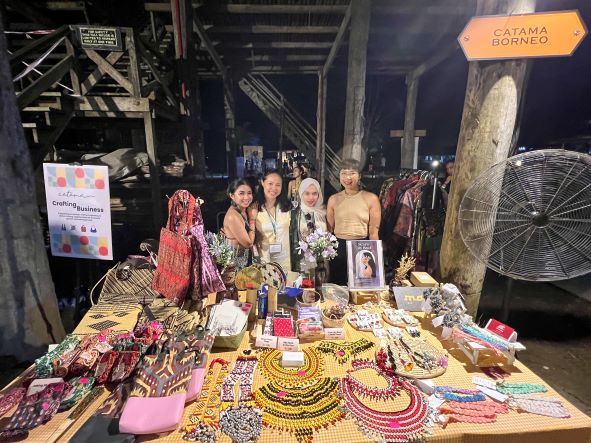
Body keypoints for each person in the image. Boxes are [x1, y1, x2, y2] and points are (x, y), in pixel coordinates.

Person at [327, 158, 381, 286]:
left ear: (359, 176)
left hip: (362, 247)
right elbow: (329, 230)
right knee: (338, 286)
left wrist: (376, 257)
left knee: (362, 287)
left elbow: (373, 231)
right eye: (344, 173)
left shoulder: (371, 198)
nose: (347, 177)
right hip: (338, 248)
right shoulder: (333, 199)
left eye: (352, 173)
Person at [253, 170, 292, 271]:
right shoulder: (254, 208)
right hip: (264, 259)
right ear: (262, 182)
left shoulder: (288, 207)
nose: (274, 188)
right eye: (270, 183)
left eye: (278, 185)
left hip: (286, 260)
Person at [290, 178, 327, 272]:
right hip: (301, 262)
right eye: (307, 193)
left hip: (321, 262)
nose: (311, 198)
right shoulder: (295, 214)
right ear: (301, 194)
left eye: (314, 193)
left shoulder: (323, 212)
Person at [222, 179, 257, 270]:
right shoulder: (232, 216)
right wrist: (252, 219)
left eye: (249, 193)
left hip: (245, 263)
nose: (246, 197)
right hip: (236, 267)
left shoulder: (244, 210)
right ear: (232, 196)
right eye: (241, 193)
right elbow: (248, 243)